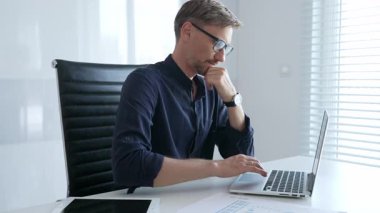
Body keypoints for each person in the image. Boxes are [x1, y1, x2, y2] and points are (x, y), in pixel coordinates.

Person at [112, 0, 267, 192]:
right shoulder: (144, 82)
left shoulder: (210, 89)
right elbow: (128, 165)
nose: (222, 57)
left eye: (225, 48)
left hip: (195, 199)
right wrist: (216, 168)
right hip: (154, 202)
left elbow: (243, 161)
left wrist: (233, 100)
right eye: (218, 44)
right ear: (187, 31)